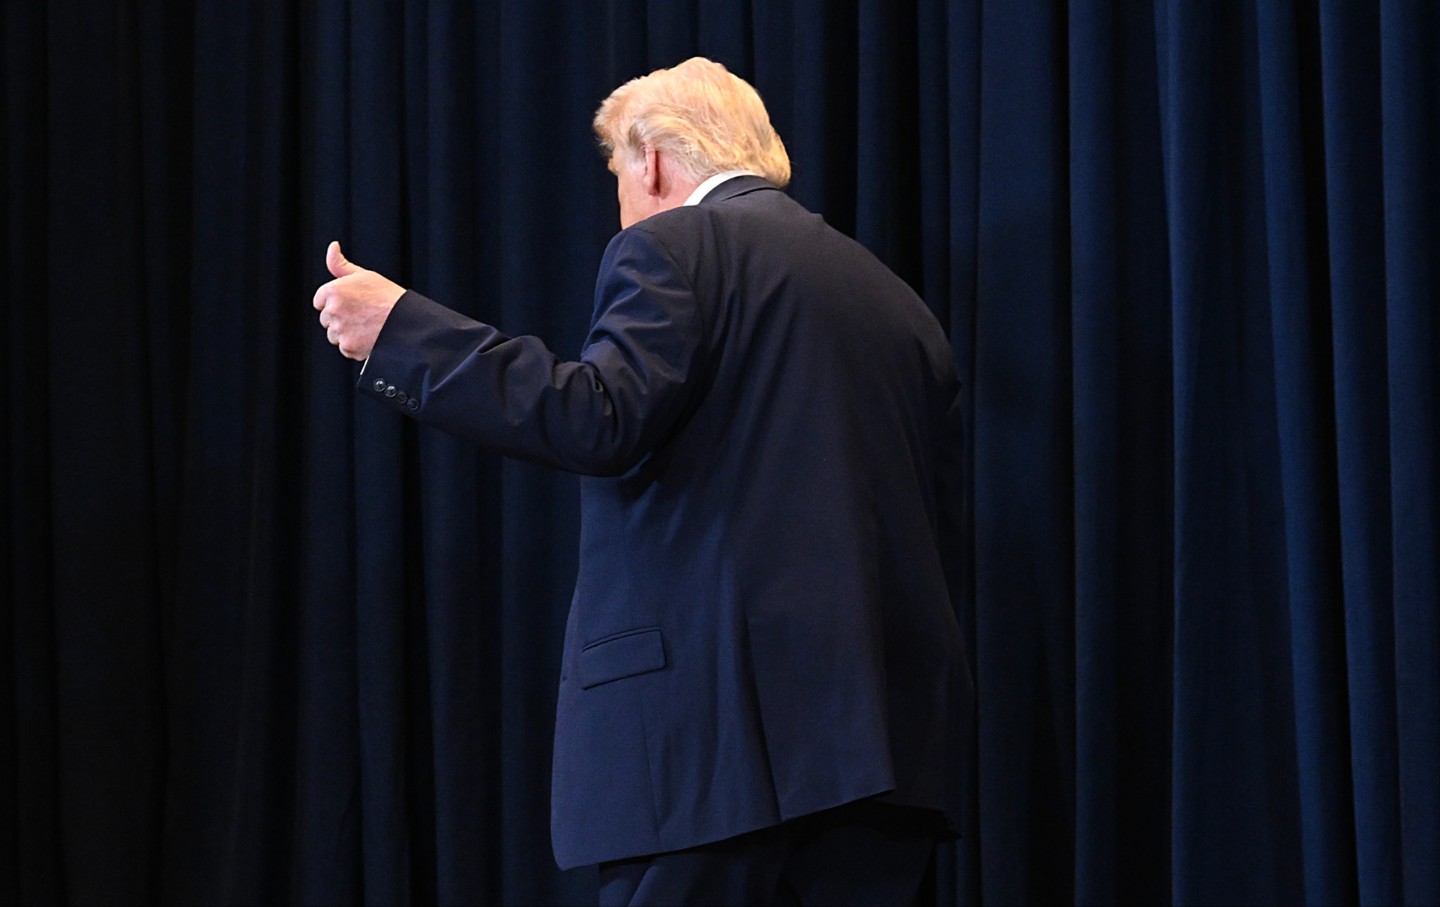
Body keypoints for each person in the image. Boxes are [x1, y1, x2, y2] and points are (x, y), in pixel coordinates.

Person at [313, 56, 972, 907]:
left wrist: (402, 331)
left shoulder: (672, 246)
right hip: (884, 756)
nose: (621, 204)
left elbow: (597, 416)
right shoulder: (898, 304)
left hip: (712, 750)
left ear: (652, 159)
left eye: (618, 177)